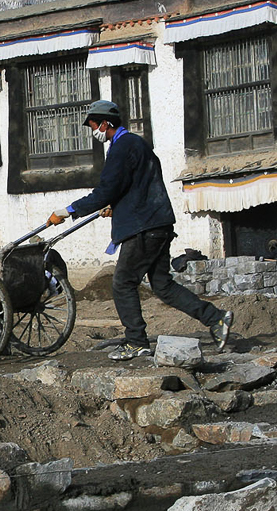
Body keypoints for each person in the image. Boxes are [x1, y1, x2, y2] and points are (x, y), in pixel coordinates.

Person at [48, 100, 233, 361]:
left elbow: (106, 190)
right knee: (163, 285)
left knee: (123, 283)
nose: (94, 132)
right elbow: (135, 185)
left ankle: (136, 342)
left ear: (105, 123)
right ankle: (216, 318)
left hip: (143, 228)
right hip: (157, 223)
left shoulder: (122, 147)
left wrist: (68, 210)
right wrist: (117, 204)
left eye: (93, 126)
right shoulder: (137, 144)